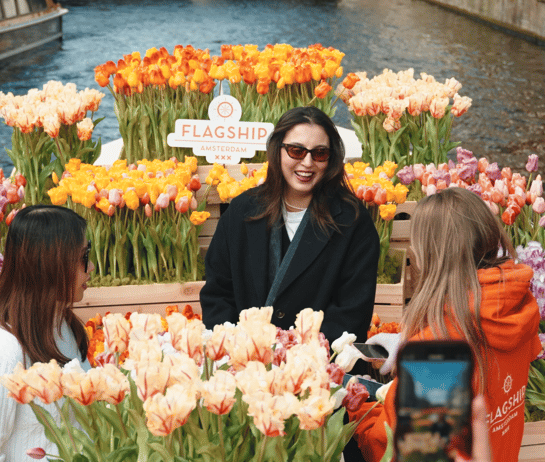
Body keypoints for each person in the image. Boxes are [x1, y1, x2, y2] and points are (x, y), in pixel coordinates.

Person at [351, 187, 543, 462]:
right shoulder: (517, 306)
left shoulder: (436, 352)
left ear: (431, 255)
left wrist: (357, 407)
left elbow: (392, 447)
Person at [199, 106, 380, 343]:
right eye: (296, 151)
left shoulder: (352, 221)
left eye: (320, 154)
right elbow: (218, 292)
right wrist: (238, 348)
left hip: (316, 366)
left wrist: (298, 352)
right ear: (278, 150)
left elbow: (352, 311)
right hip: (245, 361)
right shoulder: (242, 211)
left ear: (331, 157)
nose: (307, 163)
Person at [0, 204, 94, 462]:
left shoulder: (64, 326)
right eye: (82, 257)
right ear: (49, 266)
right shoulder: (3, 353)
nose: (89, 269)